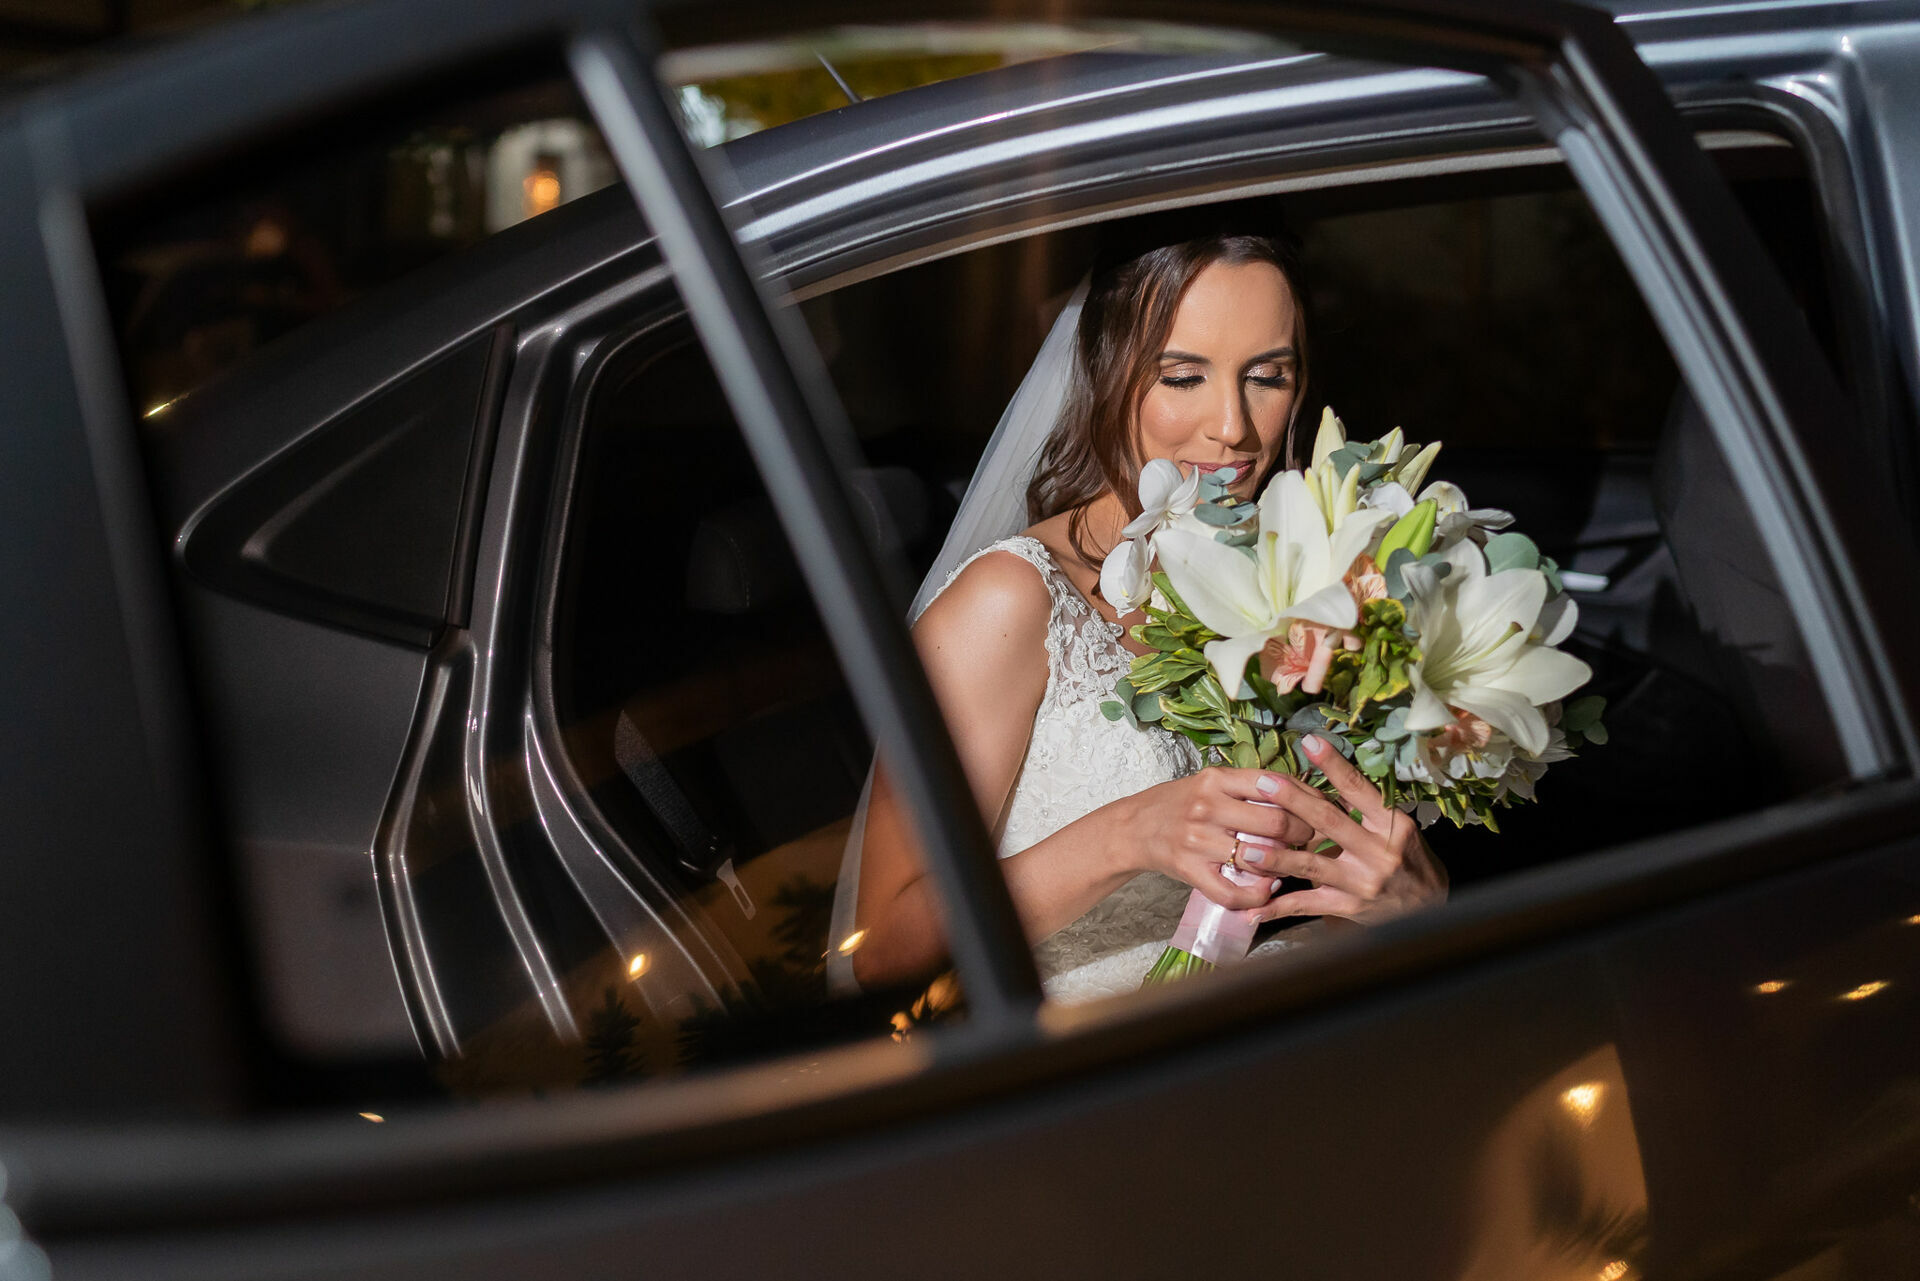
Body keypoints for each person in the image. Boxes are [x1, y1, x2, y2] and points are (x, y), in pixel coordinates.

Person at [846, 215, 1449, 1002]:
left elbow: (1324, 877)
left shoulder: (1311, 580)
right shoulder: (1012, 601)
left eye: (1267, 376)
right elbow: (883, 949)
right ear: (1105, 374)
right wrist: (1129, 834)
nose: (1233, 427)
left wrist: (1408, 898)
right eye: (1182, 376)